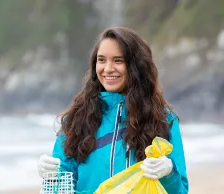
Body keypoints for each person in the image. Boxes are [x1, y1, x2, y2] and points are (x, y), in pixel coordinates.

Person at [37, 27, 188, 193]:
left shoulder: (163, 119)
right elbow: (63, 187)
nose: (107, 69)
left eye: (118, 61)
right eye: (101, 60)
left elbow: (180, 191)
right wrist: (51, 178)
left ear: (137, 66)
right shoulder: (76, 119)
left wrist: (168, 172)